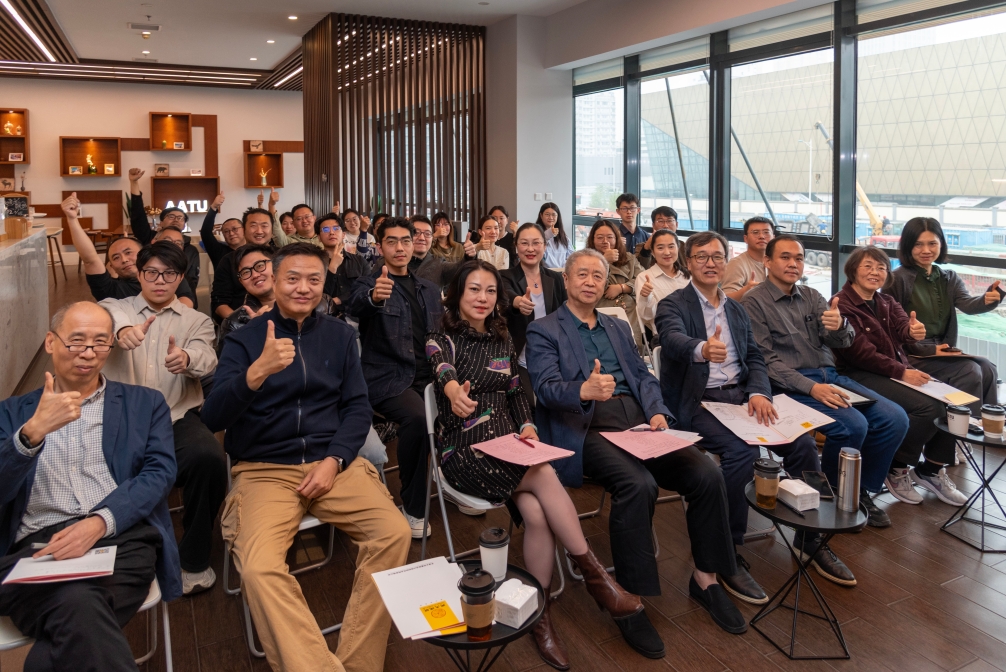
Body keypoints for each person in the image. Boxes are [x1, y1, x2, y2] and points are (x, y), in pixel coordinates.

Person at [202, 243, 410, 672]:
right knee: (259, 569)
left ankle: (358, 662)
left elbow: (357, 408)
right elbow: (213, 416)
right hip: (264, 470)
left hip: (331, 463)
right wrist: (256, 373)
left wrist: (335, 460)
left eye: (314, 279)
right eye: (292, 278)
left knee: (394, 533)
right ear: (274, 281)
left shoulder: (340, 335)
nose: (303, 288)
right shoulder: (243, 341)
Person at [428, 259, 644, 670]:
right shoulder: (441, 339)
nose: (482, 298)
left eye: (490, 291)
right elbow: (444, 373)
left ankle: (538, 615)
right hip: (466, 450)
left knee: (538, 515)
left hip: (510, 447)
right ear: (456, 295)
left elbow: (516, 394)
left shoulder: (502, 339)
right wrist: (455, 392)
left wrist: (527, 425)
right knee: (543, 472)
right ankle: (598, 578)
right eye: (474, 289)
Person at [527, 249, 746, 651]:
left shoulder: (616, 325)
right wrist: (583, 390)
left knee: (706, 473)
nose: (590, 281)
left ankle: (706, 578)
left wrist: (658, 412)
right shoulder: (544, 329)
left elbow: (644, 376)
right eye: (582, 274)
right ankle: (629, 599)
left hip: (641, 423)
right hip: (588, 427)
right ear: (567, 280)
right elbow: (544, 388)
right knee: (638, 484)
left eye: (598, 275)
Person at [656, 231, 853, 596]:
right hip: (699, 401)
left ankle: (808, 538)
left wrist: (760, 392)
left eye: (717, 256)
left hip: (743, 398)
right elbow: (671, 339)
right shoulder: (673, 304)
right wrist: (702, 349)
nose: (711, 263)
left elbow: (756, 358)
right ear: (688, 263)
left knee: (802, 445)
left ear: (726, 261)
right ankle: (728, 551)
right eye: (701, 257)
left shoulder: (736, 309)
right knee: (741, 453)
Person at [0, 301, 180, 672]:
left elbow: (159, 472)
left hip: (120, 540)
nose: (88, 352)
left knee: (70, 616)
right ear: (51, 342)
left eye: (100, 342)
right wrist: (31, 435)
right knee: (77, 608)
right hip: (36, 550)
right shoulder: (10, 414)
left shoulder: (144, 403)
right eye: (76, 340)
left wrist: (99, 523)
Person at [741, 235, 908, 529]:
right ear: (767, 261)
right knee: (853, 425)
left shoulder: (812, 295)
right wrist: (811, 388)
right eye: (785, 257)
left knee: (895, 418)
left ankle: (858, 490)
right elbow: (765, 361)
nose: (793, 264)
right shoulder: (753, 302)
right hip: (789, 385)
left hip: (830, 377)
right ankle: (831, 494)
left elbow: (841, 342)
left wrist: (840, 326)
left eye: (799, 258)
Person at [100, 241, 227, 595]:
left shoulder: (196, 319)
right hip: (121, 420)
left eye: (169, 274)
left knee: (209, 459)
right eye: (152, 273)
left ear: (180, 277)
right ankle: (123, 557)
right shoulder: (119, 308)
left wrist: (186, 358)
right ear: (139, 274)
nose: (160, 280)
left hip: (175, 416)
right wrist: (122, 331)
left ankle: (194, 559)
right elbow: (107, 311)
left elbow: (207, 356)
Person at [832, 246, 968, 506]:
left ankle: (931, 469)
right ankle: (896, 468)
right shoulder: (842, 304)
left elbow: (904, 327)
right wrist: (902, 372)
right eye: (868, 266)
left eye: (881, 267)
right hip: (857, 374)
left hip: (892, 370)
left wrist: (912, 331)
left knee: (952, 403)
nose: (875, 272)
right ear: (853, 270)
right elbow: (860, 354)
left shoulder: (886, 301)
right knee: (929, 408)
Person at [349, 218, 444, 538]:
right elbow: (356, 304)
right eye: (392, 241)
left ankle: (455, 481)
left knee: (468, 406)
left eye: (406, 240)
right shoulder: (369, 283)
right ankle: (413, 507)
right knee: (419, 418)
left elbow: (439, 335)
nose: (400, 247)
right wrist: (374, 297)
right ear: (380, 247)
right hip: (388, 378)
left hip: (429, 375)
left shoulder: (428, 289)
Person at [888, 217, 1003, 416]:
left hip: (943, 349)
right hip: (911, 353)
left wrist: (988, 300)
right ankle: (964, 426)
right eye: (918, 244)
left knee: (988, 368)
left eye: (932, 243)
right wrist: (929, 349)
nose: (926, 250)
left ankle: (987, 423)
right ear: (908, 246)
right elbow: (889, 328)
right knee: (969, 371)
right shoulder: (897, 279)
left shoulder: (949, 277)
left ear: (941, 244)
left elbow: (968, 305)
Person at [62, 193, 197, 308]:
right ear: (111, 266)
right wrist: (72, 219)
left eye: (128, 252)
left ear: (143, 253)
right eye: (116, 257)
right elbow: (90, 259)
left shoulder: (167, 275)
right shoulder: (111, 290)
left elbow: (186, 299)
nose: (124, 259)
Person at [501, 223, 567, 407]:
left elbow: (565, 313)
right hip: (520, 358)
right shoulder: (505, 276)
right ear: (516, 246)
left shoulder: (556, 278)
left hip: (552, 356)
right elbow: (505, 294)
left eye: (536, 243)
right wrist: (517, 301)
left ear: (544, 246)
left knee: (558, 402)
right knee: (529, 405)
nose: (530, 249)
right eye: (524, 243)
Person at [127, 168, 201, 298]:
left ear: (184, 225)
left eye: (180, 218)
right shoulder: (150, 239)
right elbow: (138, 217)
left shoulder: (190, 250)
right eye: (171, 216)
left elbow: (192, 280)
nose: (176, 220)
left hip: (180, 297)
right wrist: (134, 183)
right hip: (148, 294)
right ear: (161, 222)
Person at [587, 219, 644, 349]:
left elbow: (643, 279)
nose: (605, 241)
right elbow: (590, 284)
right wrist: (604, 261)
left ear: (617, 238)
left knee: (631, 347)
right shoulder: (584, 260)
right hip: (600, 309)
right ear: (592, 240)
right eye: (600, 237)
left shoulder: (629, 258)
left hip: (629, 311)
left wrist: (622, 287)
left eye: (610, 237)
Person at [211, 207, 275, 322]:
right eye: (253, 226)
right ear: (244, 230)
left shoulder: (284, 256)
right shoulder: (228, 261)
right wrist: (243, 324)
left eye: (264, 226)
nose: (259, 231)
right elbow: (220, 303)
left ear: (272, 229)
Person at [217, 245, 277, 354]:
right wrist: (255, 330)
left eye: (260, 265)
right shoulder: (234, 323)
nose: (255, 275)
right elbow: (230, 364)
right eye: (245, 272)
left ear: (277, 265)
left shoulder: (307, 306)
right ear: (241, 282)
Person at [634, 229, 688, 338]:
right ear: (652, 252)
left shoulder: (688, 276)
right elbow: (647, 316)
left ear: (678, 248)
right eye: (660, 248)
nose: (667, 252)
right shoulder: (644, 278)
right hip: (666, 336)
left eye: (671, 247)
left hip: (694, 333)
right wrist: (646, 297)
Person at [317, 213, 371, 315]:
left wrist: (338, 300)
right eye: (326, 229)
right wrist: (332, 268)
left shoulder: (359, 261)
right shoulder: (315, 264)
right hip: (327, 318)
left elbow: (367, 289)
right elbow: (319, 295)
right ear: (319, 237)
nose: (331, 232)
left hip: (357, 318)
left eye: (336, 228)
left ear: (343, 234)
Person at [721, 216, 774, 301]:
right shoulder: (736, 264)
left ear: (773, 237)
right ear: (746, 239)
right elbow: (726, 299)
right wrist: (747, 290)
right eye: (755, 232)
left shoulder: (776, 262)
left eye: (766, 232)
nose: (761, 236)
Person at [200, 190, 246, 267]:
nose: (231, 233)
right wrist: (214, 207)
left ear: (244, 230)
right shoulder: (218, 251)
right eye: (226, 231)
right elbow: (205, 233)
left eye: (235, 229)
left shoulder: (253, 249)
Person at [636, 206, 678, 270]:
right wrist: (646, 249)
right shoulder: (641, 247)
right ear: (653, 225)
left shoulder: (684, 247)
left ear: (676, 224)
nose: (665, 226)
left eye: (669, 221)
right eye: (660, 221)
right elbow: (639, 268)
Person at [537, 202, 573, 269]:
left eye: (554, 215)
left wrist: (563, 269)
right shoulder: (536, 233)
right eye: (547, 214)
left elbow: (571, 256)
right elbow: (538, 246)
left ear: (557, 216)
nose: (550, 217)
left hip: (563, 272)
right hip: (545, 272)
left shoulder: (564, 237)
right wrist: (550, 233)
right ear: (541, 216)